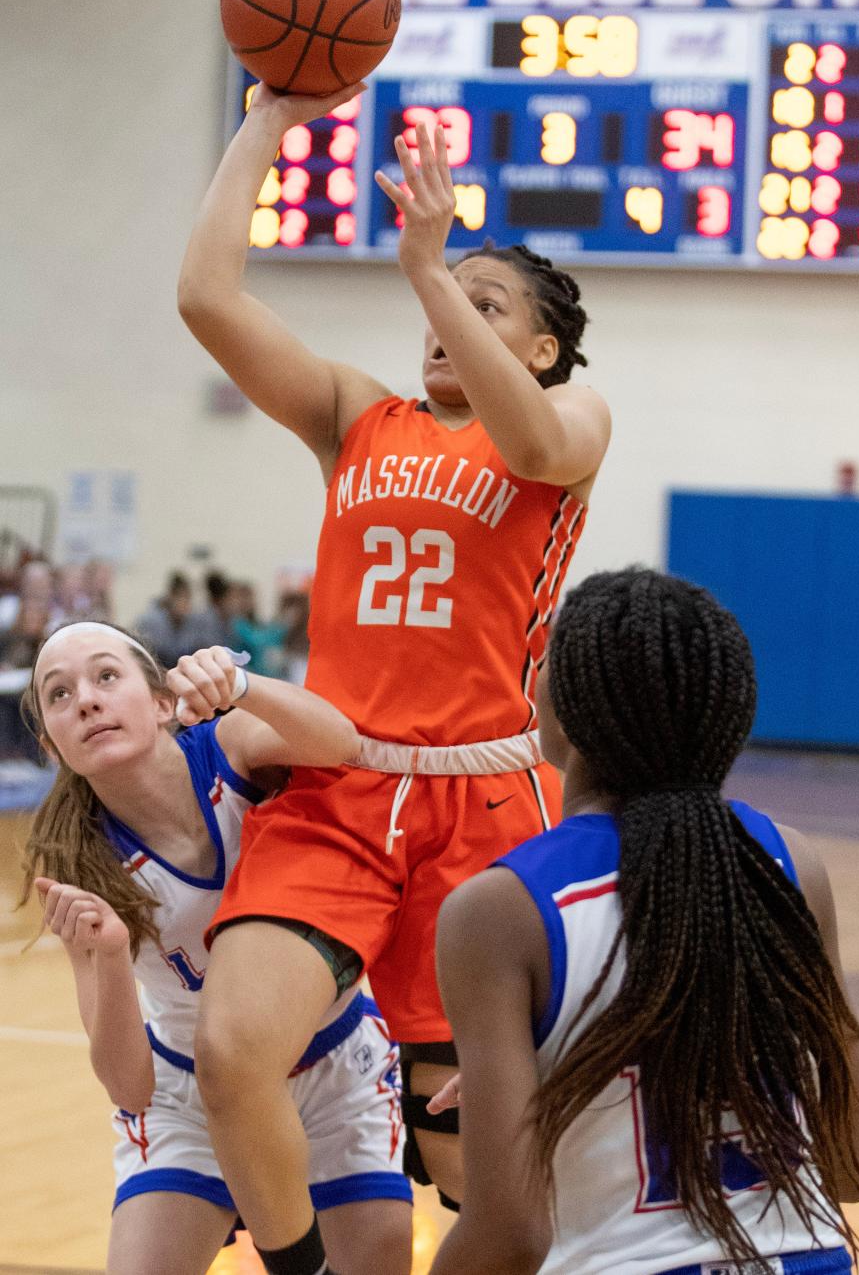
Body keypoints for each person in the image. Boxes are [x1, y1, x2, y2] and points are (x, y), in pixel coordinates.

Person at [176, 79, 611, 1269]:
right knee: (231, 1048)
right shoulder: (356, 416)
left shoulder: (571, 424)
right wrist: (267, 119)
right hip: (341, 782)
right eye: (443, 297)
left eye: (486, 302)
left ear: (539, 346)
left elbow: (528, 440)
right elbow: (207, 297)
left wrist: (429, 268)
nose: (446, 316)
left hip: (482, 805)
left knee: (478, 1159)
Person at [430, 566, 859, 1274]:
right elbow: (852, 1167)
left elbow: (509, 1235)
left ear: (565, 697)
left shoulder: (499, 910)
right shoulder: (792, 866)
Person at [19, 622, 412, 1275]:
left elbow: (342, 741)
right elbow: (130, 1084)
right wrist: (111, 956)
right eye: (59, 694)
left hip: (334, 1069)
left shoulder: (228, 748)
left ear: (164, 700)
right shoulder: (79, 860)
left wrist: (242, 686)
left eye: (106, 676)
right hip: (187, 1096)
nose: (85, 699)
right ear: (50, 744)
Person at [134, 571, 202, 668]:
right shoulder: (149, 621)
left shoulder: (192, 621)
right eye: (182, 598)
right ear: (171, 597)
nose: (186, 604)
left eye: (188, 599)